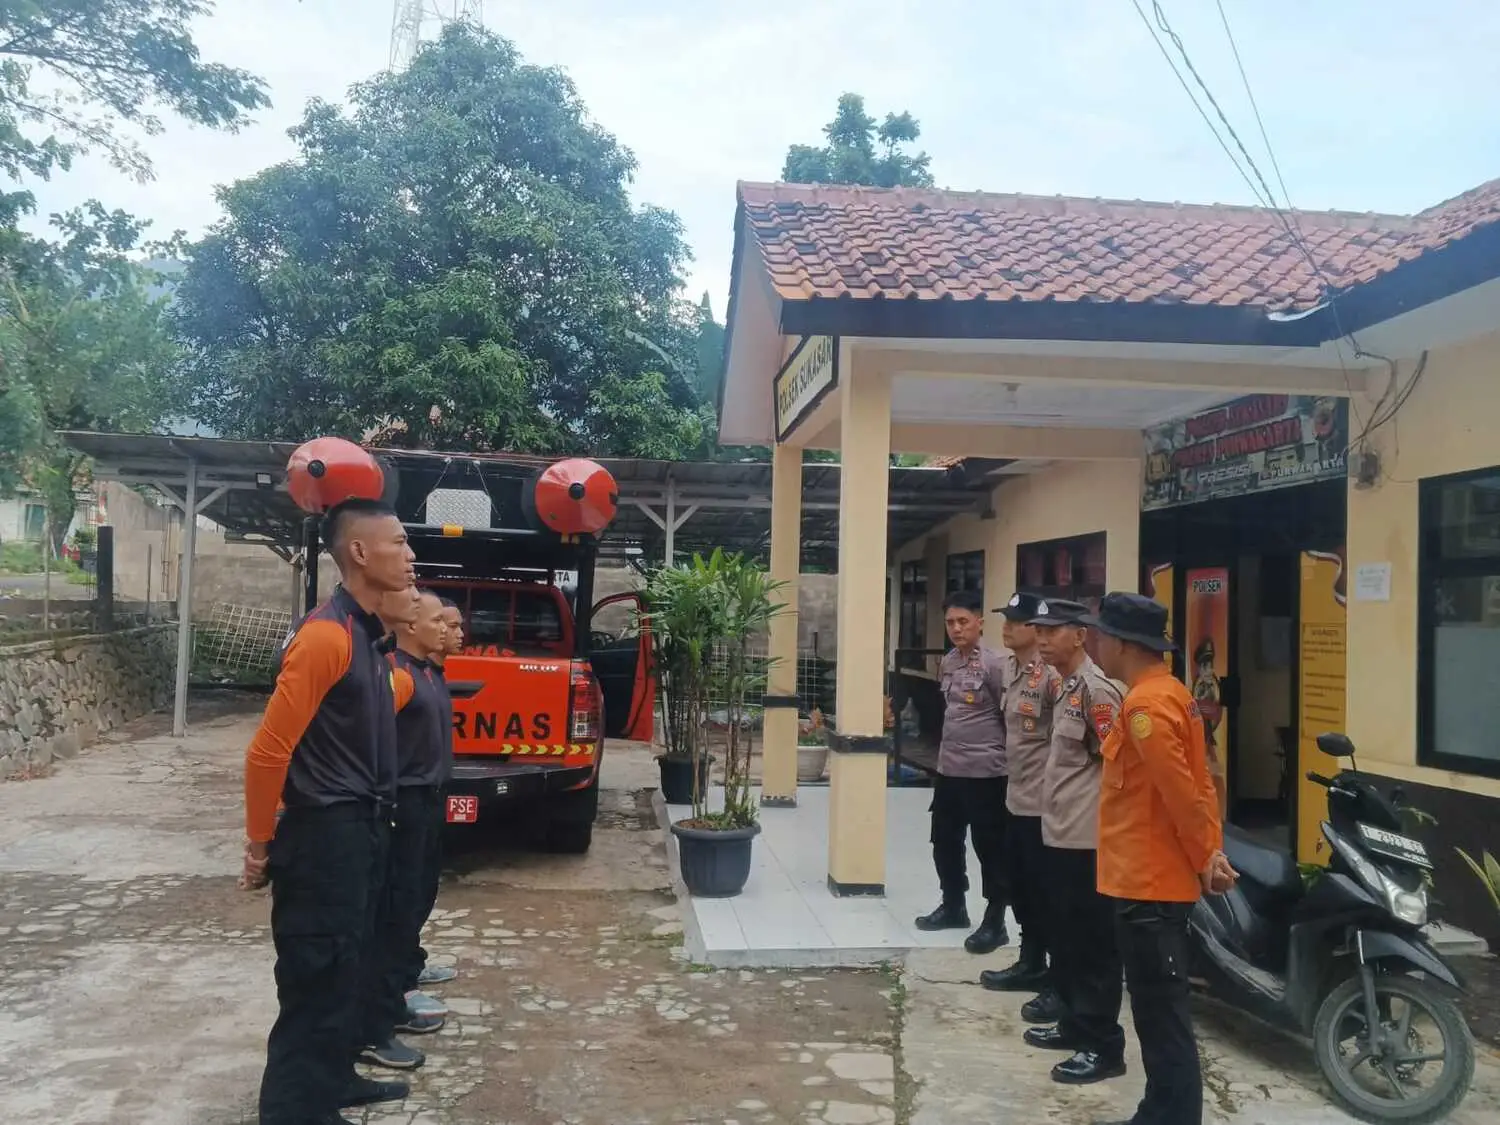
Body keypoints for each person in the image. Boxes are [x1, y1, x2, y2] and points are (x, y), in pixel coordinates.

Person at [239, 497, 415, 1125]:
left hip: (363, 834)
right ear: (360, 553)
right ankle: (293, 1112)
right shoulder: (324, 637)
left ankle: (334, 1080)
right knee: (315, 982)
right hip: (322, 840)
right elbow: (268, 751)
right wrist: (260, 844)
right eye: (398, 542)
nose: (410, 554)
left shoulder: (370, 639)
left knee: (349, 967)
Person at [1086, 592, 1237, 1125]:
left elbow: (1180, 791)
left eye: (1100, 636)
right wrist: (1210, 848)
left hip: (1147, 883)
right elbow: (1204, 781)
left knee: (1161, 1015)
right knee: (1156, 1011)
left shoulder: (1146, 706)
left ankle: (1171, 1116)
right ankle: (1159, 1110)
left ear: (1123, 643)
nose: (1094, 644)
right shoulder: (1173, 693)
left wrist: (1206, 856)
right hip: (1150, 878)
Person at [1024, 598, 1127, 1085]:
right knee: (1065, 937)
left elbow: (1119, 765)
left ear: (1080, 635)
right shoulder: (1065, 687)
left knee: (1093, 946)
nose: (1041, 639)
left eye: (1052, 630)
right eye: (1038, 631)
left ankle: (1102, 1045)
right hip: (1061, 833)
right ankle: (1071, 1020)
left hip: (1088, 839)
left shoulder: (1097, 691)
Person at [358, 591, 451, 1069]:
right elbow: (370, 739)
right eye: (437, 619)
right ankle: (378, 1018)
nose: (447, 627)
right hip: (405, 804)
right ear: (412, 626)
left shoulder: (428, 672)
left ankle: (394, 998)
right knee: (394, 910)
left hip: (428, 803)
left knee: (416, 900)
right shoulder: (398, 676)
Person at [915, 590, 1010, 955]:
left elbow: (1009, 716)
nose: (956, 629)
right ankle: (953, 904)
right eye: (951, 623)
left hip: (986, 772)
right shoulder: (949, 662)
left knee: (989, 847)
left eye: (963, 621)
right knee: (944, 838)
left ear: (979, 622)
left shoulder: (995, 664)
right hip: (950, 768)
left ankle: (995, 919)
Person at [981, 591, 1060, 999]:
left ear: (1037, 628)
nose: (1007, 627)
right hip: (1016, 796)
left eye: (1016, 620)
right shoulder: (1010, 667)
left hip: (1046, 804)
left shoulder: (1052, 675)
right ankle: (1030, 961)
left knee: (1048, 892)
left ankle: (1053, 974)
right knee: (1021, 886)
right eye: (1006, 619)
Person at [409, 597, 465, 993]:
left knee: (422, 888)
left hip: (431, 793)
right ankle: (397, 984)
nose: (453, 632)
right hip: (409, 797)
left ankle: (410, 964)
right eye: (445, 623)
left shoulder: (433, 675)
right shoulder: (406, 676)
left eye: (456, 626)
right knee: (405, 893)